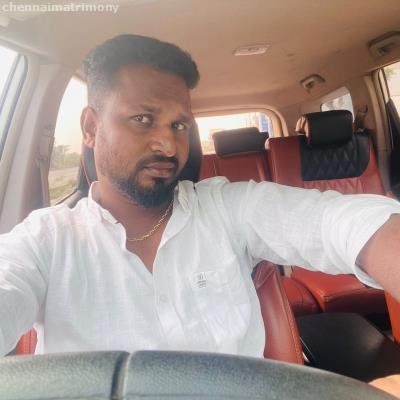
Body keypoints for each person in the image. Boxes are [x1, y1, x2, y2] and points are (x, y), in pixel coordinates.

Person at [0, 34, 400, 394]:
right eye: (142, 119)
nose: (168, 145)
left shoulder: (228, 208)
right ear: (90, 127)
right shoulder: (45, 240)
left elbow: (341, 224)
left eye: (179, 125)